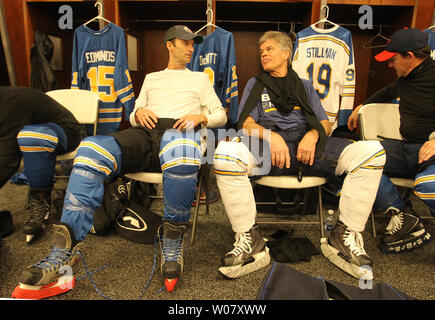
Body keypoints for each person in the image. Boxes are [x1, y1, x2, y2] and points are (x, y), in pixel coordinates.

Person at [13, 25, 227, 298]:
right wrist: (141, 112)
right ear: (169, 45)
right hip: (144, 133)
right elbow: (136, 112)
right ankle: (63, 253)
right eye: (184, 43)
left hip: (180, 134)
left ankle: (172, 240)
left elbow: (221, 114)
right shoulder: (152, 77)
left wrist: (202, 118)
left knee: (181, 151)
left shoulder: (199, 78)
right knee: (91, 148)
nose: (190, 48)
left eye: (192, 44)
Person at [213, 31, 385, 280]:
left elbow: (325, 123)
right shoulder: (255, 83)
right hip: (266, 147)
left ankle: (344, 234)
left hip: (307, 148)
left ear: (286, 54)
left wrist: (313, 135)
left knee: (371, 152)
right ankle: (249, 238)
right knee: (224, 153)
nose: (263, 54)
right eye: (261, 51)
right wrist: (272, 137)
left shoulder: (304, 85)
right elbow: (245, 124)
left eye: (269, 49)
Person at [347, 28, 434, 253]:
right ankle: (401, 214)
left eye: (393, 59)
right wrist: (361, 106)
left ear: (410, 57)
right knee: (359, 157)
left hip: (429, 152)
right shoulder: (406, 78)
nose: (389, 65)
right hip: (407, 148)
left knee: (428, 187)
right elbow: (385, 93)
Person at [0, 86, 82, 243]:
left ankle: (40, 199)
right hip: (33, 130)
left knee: (30, 136)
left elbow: (7, 162)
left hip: (65, 130)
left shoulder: (10, 105)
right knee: (29, 135)